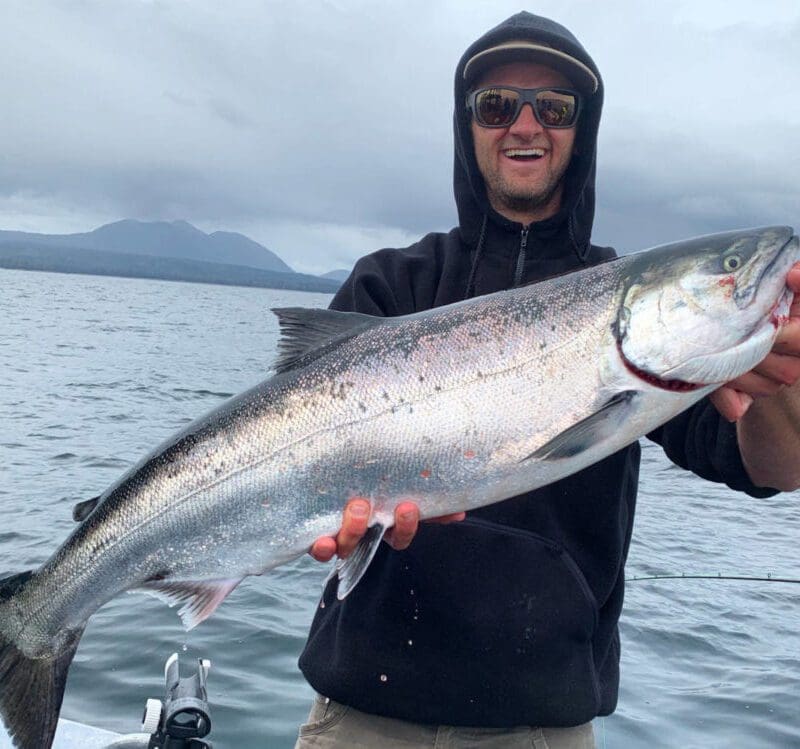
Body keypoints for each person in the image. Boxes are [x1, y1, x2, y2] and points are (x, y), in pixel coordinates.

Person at [294, 11, 800, 749]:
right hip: (359, 717)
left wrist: (778, 371)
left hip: (540, 727)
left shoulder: (659, 342)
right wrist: (329, 518)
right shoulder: (391, 287)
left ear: (580, 129)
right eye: (497, 105)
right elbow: (301, 461)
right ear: (468, 127)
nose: (525, 124)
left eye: (554, 108)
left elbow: (774, 465)